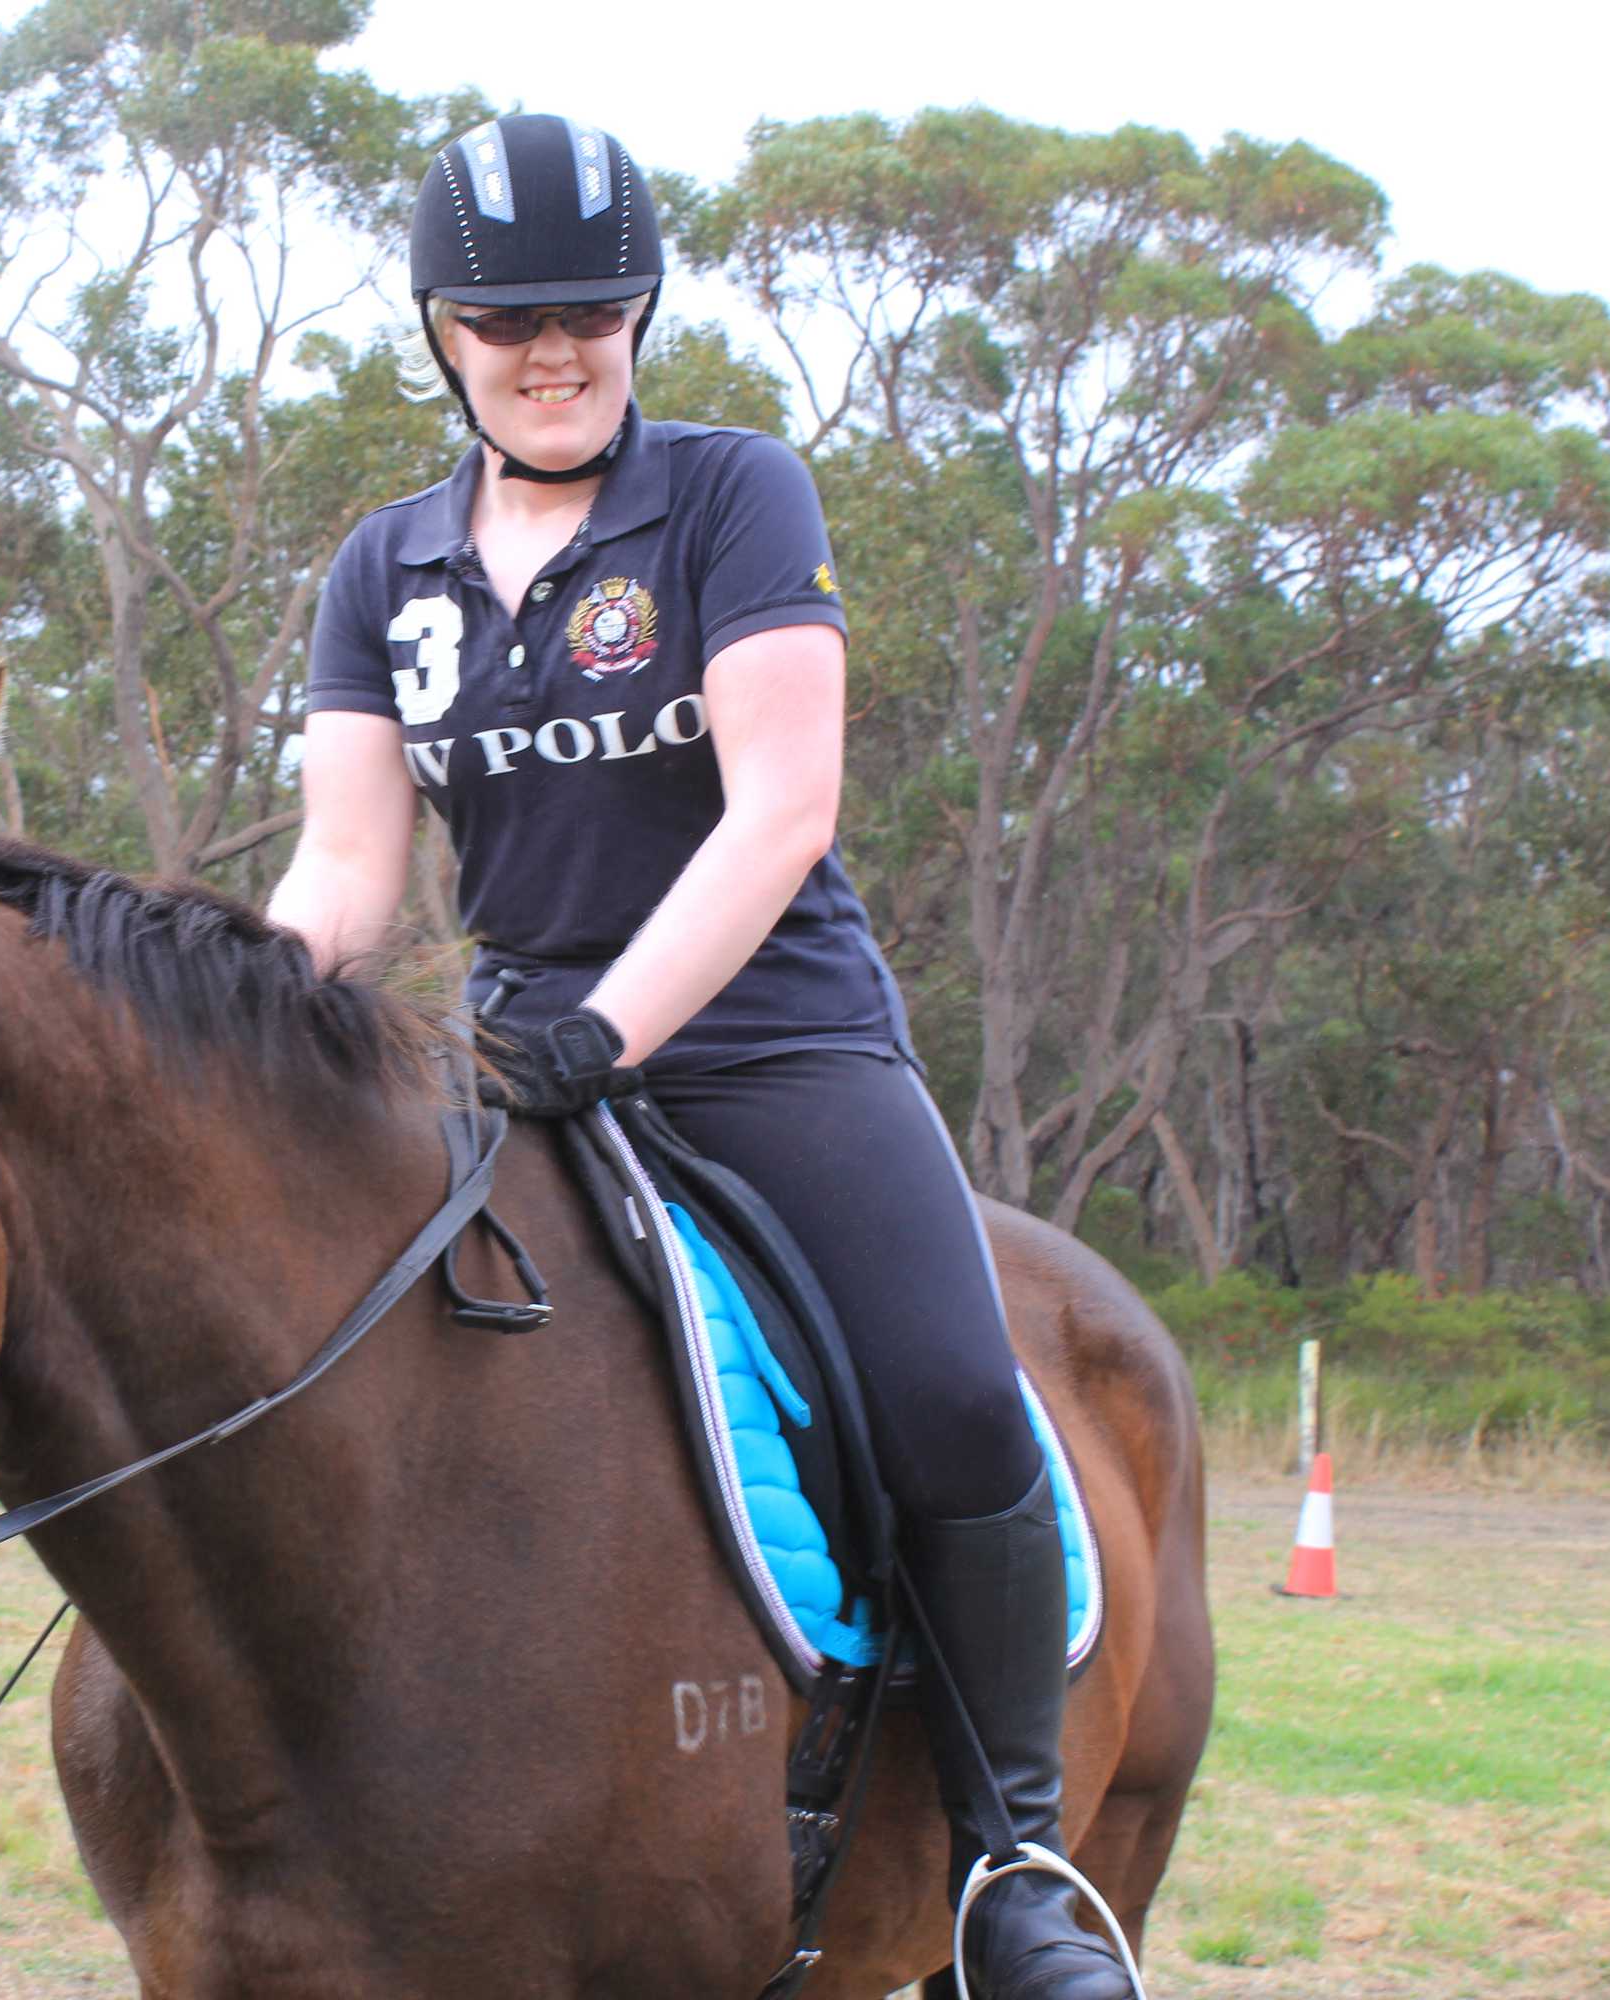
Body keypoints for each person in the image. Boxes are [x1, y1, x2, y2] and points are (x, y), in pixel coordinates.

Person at [265, 113, 1138, 2000]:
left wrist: (607, 1027)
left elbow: (777, 813)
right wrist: (238, 1023)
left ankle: (1015, 1869)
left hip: (772, 1044)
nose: (550, 349)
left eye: (590, 309)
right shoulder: (385, 567)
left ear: (641, 310)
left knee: (950, 1392)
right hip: (510, 1072)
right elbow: (348, 862)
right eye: (505, 318)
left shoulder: (732, 497)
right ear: (441, 331)